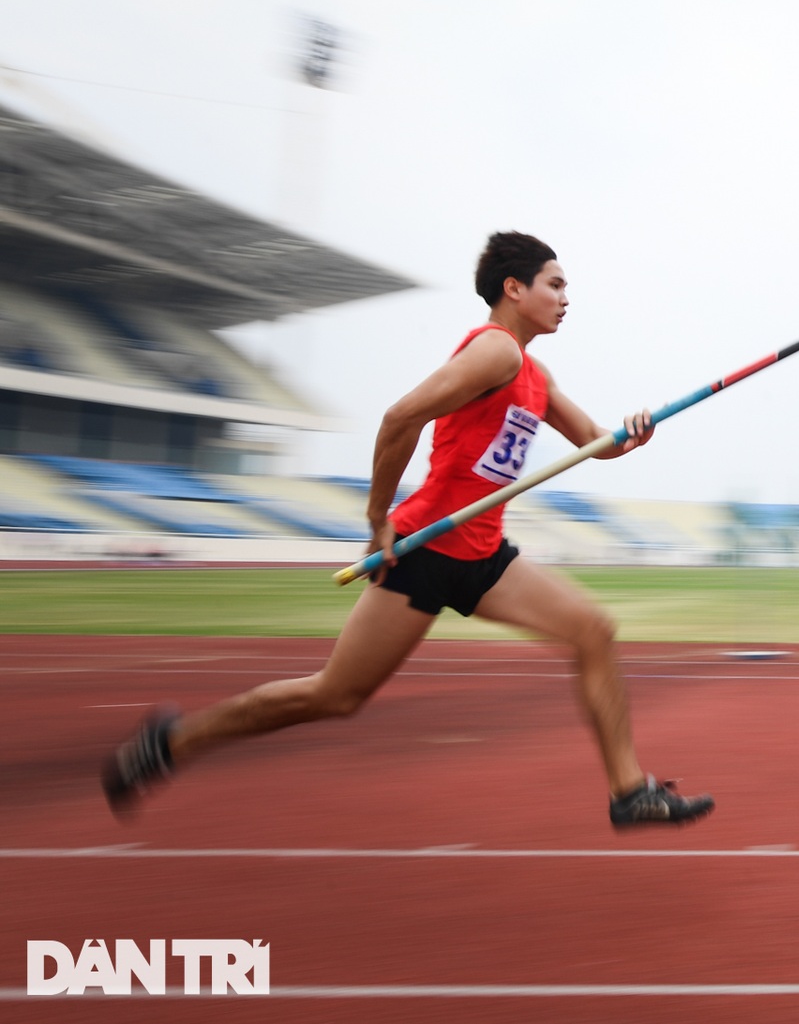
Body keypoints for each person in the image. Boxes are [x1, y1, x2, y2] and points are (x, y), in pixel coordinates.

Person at [103, 231, 714, 829]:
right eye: (555, 284)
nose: (565, 297)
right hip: (425, 547)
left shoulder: (536, 374)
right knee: (333, 696)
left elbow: (594, 444)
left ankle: (630, 793)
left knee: (592, 632)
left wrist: (634, 430)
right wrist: (378, 520)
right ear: (513, 288)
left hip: (483, 553)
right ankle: (172, 741)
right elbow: (401, 417)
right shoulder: (495, 350)